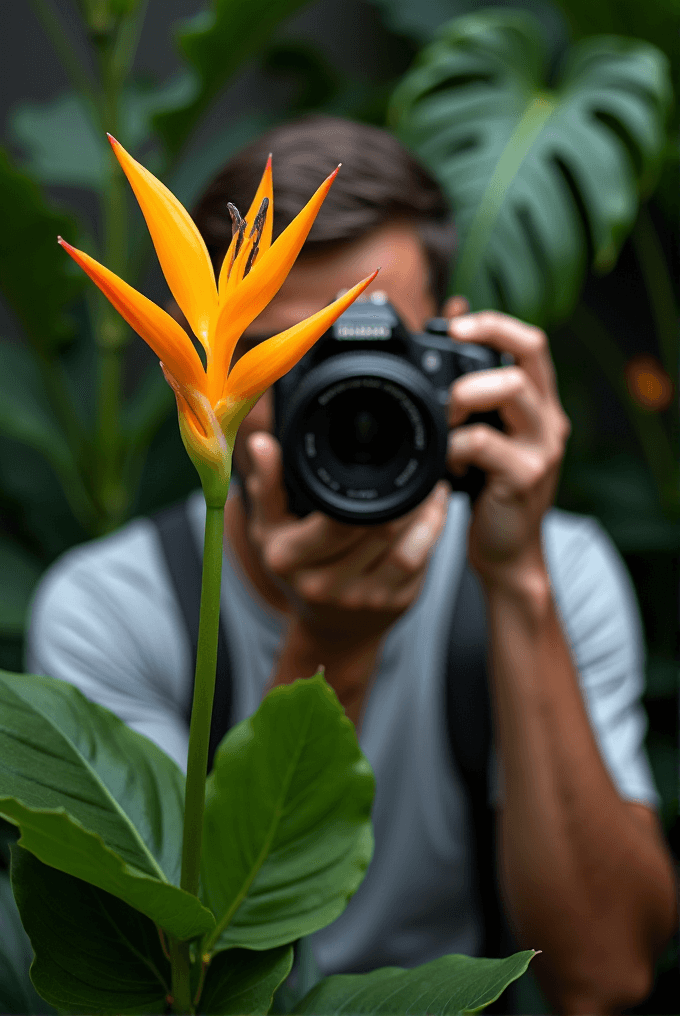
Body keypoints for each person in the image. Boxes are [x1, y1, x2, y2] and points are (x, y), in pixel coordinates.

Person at [26, 115, 677, 1014]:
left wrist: (520, 585)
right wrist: (329, 644)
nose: (344, 396)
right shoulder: (110, 610)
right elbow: (181, 969)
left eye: (377, 349)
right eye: (294, 359)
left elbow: (606, 977)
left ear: (452, 353)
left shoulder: (556, 570)